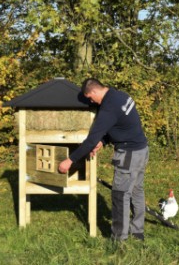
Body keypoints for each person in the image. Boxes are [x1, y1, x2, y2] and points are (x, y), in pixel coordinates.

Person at [58, 78, 149, 241]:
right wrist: (104, 141)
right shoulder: (119, 96)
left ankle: (119, 239)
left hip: (128, 154)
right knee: (136, 191)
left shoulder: (108, 107)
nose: (92, 102)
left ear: (93, 91)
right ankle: (137, 232)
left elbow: (90, 140)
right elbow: (119, 125)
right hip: (141, 149)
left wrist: (70, 160)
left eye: (90, 98)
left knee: (120, 195)